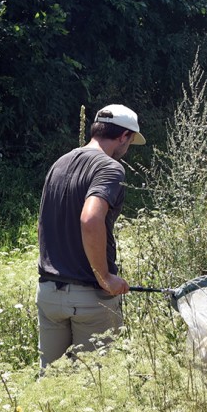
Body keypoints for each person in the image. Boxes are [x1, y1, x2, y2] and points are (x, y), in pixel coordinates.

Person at [36, 104, 145, 370]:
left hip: (49, 293)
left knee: (51, 386)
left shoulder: (60, 163)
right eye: (130, 141)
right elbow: (90, 218)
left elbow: (43, 222)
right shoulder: (110, 168)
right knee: (93, 388)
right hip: (88, 300)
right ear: (124, 136)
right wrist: (105, 278)